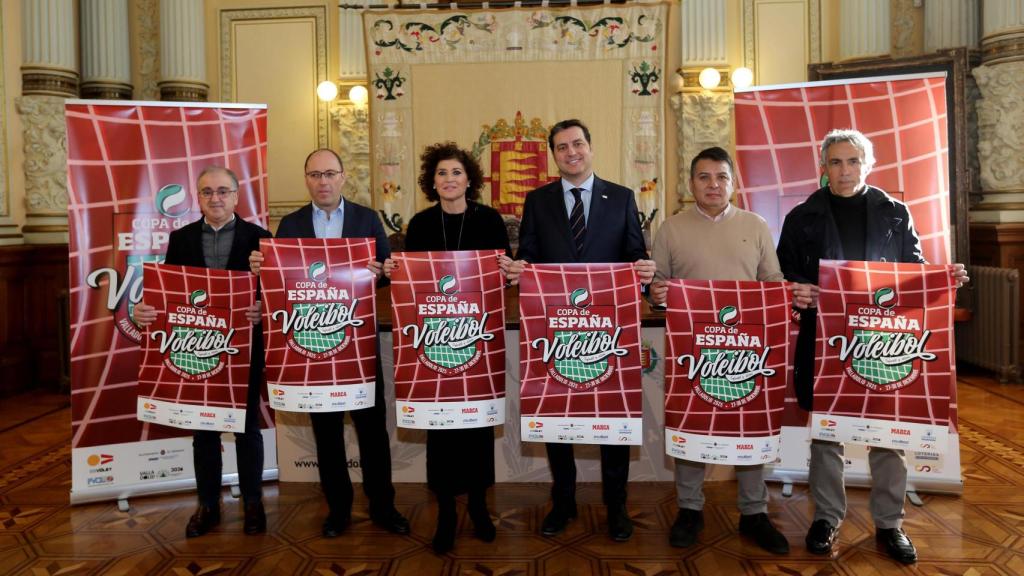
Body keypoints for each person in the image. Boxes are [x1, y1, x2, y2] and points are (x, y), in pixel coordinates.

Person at [777, 129, 968, 565]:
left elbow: (914, 274)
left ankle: (889, 523)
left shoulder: (895, 213)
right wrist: (795, 290)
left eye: (853, 161)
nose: (845, 171)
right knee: (826, 434)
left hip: (884, 342)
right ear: (823, 167)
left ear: (868, 164)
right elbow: (783, 275)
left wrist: (944, 279)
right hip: (827, 340)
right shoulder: (801, 217)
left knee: (889, 433)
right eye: (837, 162)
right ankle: (826, 518)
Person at [506, 118, 656, 542]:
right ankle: (564, 502)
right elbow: (530, 257)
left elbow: (632, 254)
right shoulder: (538, 201)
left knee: (613, 418)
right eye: (562, 147)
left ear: (590, 147)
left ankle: (617, 507)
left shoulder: (622, 197)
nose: (571, 152)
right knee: (558, 419)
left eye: (577, 144)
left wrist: (643, 271)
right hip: (557, 331)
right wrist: (521, 268)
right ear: (554, 154)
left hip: (607, 332)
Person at [249, 149, 409, 538]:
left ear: (343, 178)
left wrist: (380, 271)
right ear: (307, 179)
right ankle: (338, 510)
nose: (323, 181)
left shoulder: (366, 219)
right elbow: (281, 285)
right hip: (312, 348)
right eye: (315, 174)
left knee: (372, 432)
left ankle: (383, 507)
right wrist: (262, 268)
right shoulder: (290, 225)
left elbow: (388, 272)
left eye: (330, 173)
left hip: (357, 344)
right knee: (327, 432)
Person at [649, 146, 795, 555]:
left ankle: (754, 513)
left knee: (749, 427)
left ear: (734, 183)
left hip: (746, 350)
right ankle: (690, 509)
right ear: (690, 183)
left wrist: (787, 293)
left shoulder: (756, 224)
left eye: (721, 177)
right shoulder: (671, 229)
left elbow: (773, 281)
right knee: (692, 427)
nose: (713, 185)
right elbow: (657, 286)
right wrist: (656, 291)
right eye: (704, 177)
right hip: (694, 353)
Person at [383, 142, 512, 554]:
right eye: (442, 173)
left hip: (477, 343)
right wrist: (391, 270)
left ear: (469, 179)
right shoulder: (419, 225)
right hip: (434, 346)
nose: (449, 179)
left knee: (477, 432)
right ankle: (445, 514)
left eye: (456, 172)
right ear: (431, 181)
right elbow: (408, 284)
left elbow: (503, 278)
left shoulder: (491, 221)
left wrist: (510, 272)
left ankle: (477, 507)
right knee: (439, 433)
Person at [134, 166, 270, 538]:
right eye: (208, 192)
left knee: (247, 428)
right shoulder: (181, 239)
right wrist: (142, 310)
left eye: (223, 191)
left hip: (244, 348)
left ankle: (253, 502)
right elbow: (169, 294)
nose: (216, 198)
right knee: (204, 431)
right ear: (198, 197)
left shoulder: (262, 238)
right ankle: (208, 504)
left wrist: (263, 308)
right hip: (198, 350)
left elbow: (277, 295)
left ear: (237, 196)